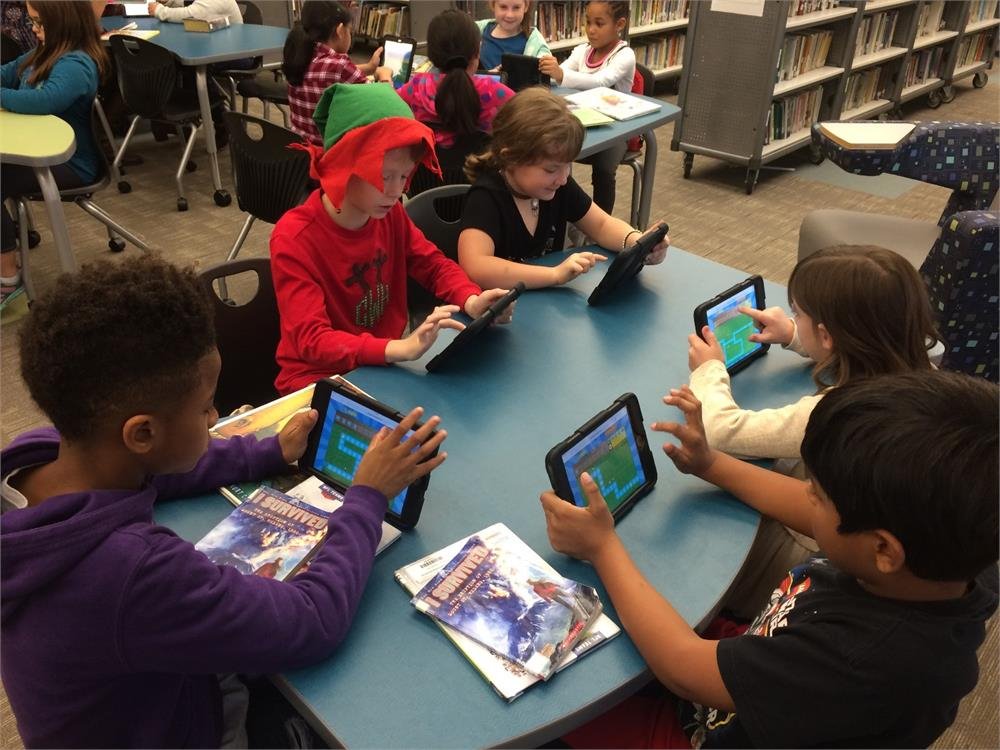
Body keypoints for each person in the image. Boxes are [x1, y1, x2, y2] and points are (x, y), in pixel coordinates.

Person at [0, 254, 450, 748]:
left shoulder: (36, 457)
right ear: (143, 433)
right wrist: (366, 498)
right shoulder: (132, 573)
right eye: (205, 407)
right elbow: (313, 620)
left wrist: (266, 452)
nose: (217, 413)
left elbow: (153, 472)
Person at [541, 372, 999, 748]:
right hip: (765, 663)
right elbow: (805, 505)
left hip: (708, 729)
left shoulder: (863, 659)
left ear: (883, 549)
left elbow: (683, 668)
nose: (808, 497)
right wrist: (711, 464)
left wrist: (601, 547)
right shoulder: (942, 553)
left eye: (819, 495)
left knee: (556, 718)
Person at [270, 82, 513, 393]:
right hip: (317, 383)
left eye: (404, 175)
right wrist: (399, 349)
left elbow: (432, 263)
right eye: (383, 176)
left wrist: (471, 299)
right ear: (341, 166)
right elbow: (312, 340)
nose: (396, 190)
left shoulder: (388, 212)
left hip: (382, 369)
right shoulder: (295, 237)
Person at [688, 245, 938, 467]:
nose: (793, 317)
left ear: (826, 335)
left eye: (796, 314)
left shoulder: (839, 414)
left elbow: (719, 432)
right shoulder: (922, 370)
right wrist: (793, 333)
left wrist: (709, 369)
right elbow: (864, 342)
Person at [458, 87, 668, 290]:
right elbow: (476, 267)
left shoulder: (556, 187)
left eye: (569, 165)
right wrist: (554, 275)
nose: (563, 178)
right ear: (510, 158)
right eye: (551, 169)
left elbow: (602, 225)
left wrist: (637, 243)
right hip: (499, 313)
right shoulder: (485, 198)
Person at [0, 0, 108, 306]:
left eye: (39, 23)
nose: (34, 30)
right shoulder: (45, 52)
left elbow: (44, 101)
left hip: (69, 163)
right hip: (37, 151)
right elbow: (7, 73)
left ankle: (8, 278)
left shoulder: (76, 63)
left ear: (64, 22)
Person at [538, 0, 634, 216]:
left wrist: (561, 75)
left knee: (604, 169)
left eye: (599, 24)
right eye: (588, 22)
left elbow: (601, 81)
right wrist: (549, 69)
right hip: (581, 126)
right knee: (557, 158)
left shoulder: (624, 55)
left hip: (615, 131)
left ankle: (601, 222)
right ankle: (564, 221)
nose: (591, 30)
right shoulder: (583, 51)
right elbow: (560, 75)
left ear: (619, 24)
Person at [397, 9, 514, 148]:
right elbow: (530, 118)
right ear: (477, 50)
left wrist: (385, 79)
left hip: (429, 166)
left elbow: (390, 108)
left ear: (431, 56)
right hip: (478, 167)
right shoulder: (495, 91)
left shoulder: (416, 86)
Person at [284, 0, 392, 147]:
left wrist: (368, 67)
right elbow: (384, 104)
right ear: (340, 31)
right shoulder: (340, 66)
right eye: (350, 30)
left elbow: (324, 73)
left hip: (300, 154)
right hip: (330, 157)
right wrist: (385, 77)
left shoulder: (299, 55)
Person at [476, 0, 550, 72]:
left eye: (516, 7)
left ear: (526, 7)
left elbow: (546, 77)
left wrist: (557, 72)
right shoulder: (478, 30)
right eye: (503, 7)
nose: (509, 15)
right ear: (493, 5)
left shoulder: (535, 42)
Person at [147, 0, 243, 25]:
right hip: (220, 44)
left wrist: (159, 10)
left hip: (233, 53)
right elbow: (191, 3)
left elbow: (190, 14)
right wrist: (169, 2)